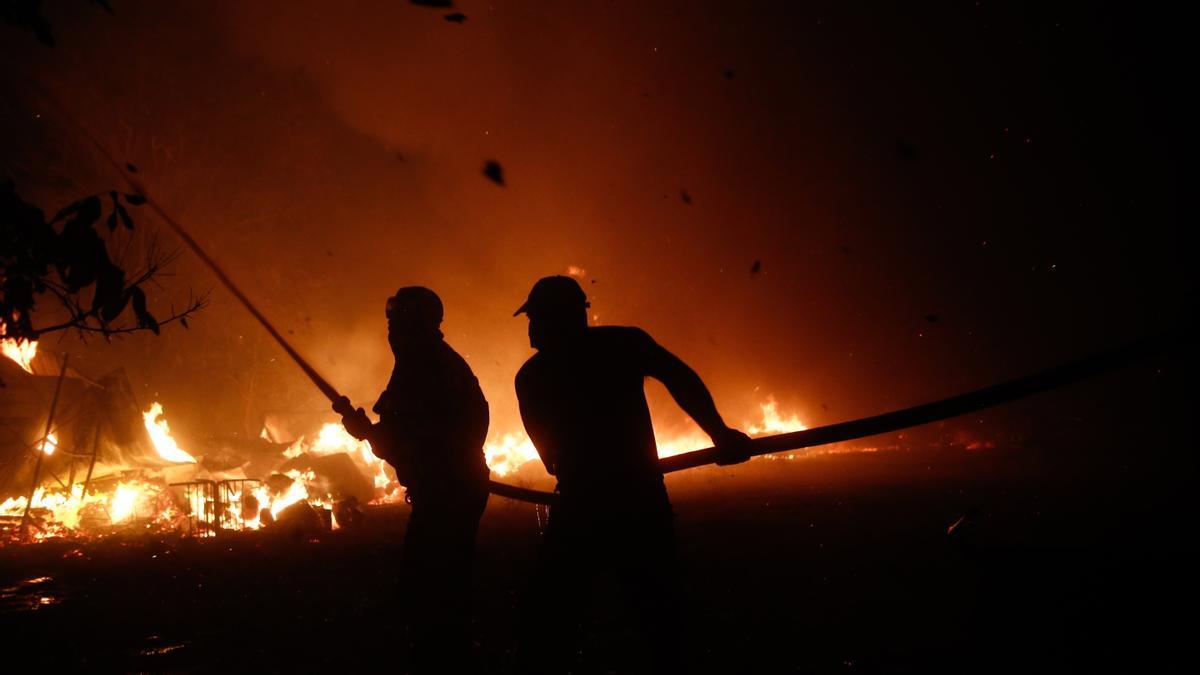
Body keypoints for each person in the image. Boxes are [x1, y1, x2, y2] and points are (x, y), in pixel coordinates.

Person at [512, 275, 752, 674]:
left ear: (557, 319)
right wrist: (719, 433)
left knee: (554, 617)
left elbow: (550, 458)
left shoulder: (533, 377)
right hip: (638, 496)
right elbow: (680, 377)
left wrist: (720, 434)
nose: (532, 328)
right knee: (657, 612)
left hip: (581, 505)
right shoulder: (625, 344)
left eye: (536, 317)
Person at [334, 286, 490, 674]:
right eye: (390, 323)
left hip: (447, 491)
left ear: (414, 325)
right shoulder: (430, 361)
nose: (391, 332)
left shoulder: (423, 366)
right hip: (454, 486)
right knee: (442, 583)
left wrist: (365, 431)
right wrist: (368, 431)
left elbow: (407, 438)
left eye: (397, 323)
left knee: (428, 588)